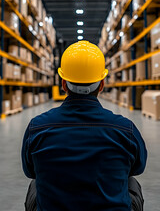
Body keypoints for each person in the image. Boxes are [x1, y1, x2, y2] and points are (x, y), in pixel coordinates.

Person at [22, 41, 147, 211]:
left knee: (35, 184)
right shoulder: (126, 129)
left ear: (63, 84)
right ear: (102, 84)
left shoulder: (37, 127)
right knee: (131, 181)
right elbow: (138, 167)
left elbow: (30, 171)